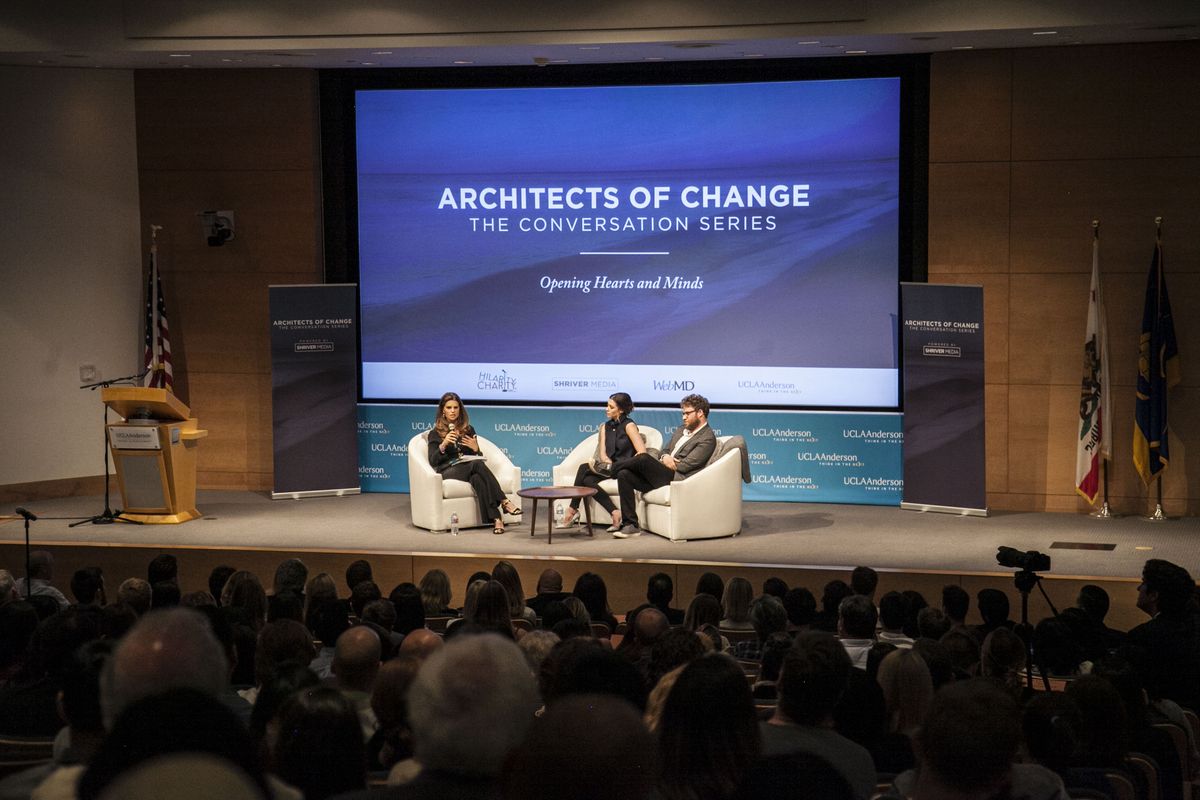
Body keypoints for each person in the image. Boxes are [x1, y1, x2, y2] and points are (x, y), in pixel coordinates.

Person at [612, 393, 717, 538]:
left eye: (687, 413)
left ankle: (611, 469)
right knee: (624, 475)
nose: (683, 417)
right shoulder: (681, 430)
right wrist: (665, 457)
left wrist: (668, 461)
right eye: (683, 413)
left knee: (643, 458)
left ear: (700, 413)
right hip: (663, 472)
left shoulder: (707, 437)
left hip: (677, 478)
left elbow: (686, 466)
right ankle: (631, 525)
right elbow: (664, 451)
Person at [427, 392, 521, 534]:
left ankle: (497, 520)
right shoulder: (436, 433)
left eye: (455, 408)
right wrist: (444, 444)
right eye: (449, 408)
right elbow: (433, 460)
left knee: (477, 478)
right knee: (477, 466)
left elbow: (476, 458)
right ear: (443, 411)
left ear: (460, 410)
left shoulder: (468, 430)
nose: (452, 411)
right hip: (448, 470)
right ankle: (504, 501)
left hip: (468, 467)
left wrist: (476, 449)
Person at [558, 392, 647, 532]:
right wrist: (605, 462)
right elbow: (603, 453)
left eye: (611, 407)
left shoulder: (629, 426)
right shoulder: (605, 427)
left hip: (624, 469)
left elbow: (642, 453)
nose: (607, 409)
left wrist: (621, 465)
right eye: (607, 405)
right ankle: (614, 512)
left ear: (621, 409)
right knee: (587, 480)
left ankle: (572, 510)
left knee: (583, 469)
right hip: (609, 467)